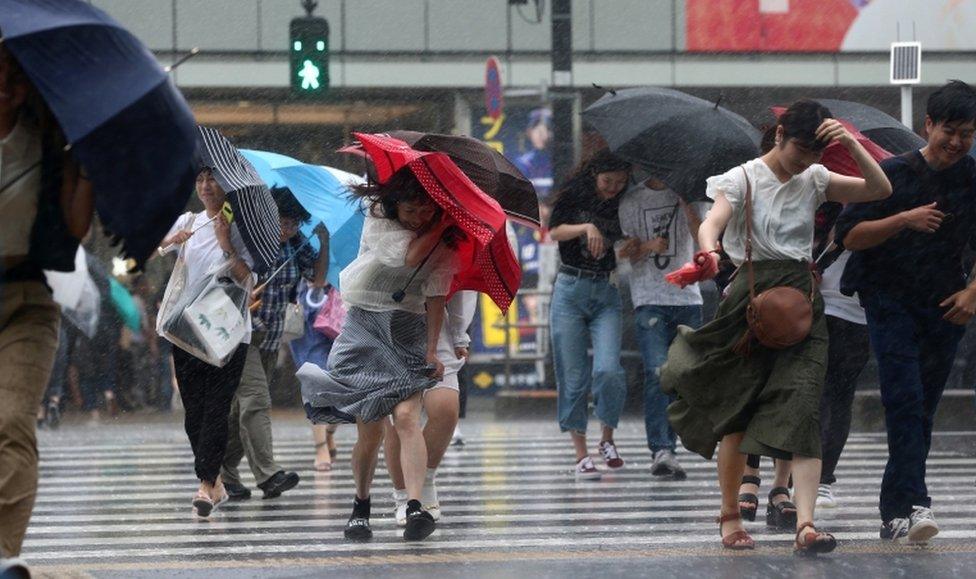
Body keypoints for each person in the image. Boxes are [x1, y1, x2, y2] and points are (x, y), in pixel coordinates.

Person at [661, 99, 891, 553]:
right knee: (738, 415)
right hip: (750, 298)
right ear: (780, 136)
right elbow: (714, 223)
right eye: (800, 149)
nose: (806, 160)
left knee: (804, 406)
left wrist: (849, 143)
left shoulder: (817, 178)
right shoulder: (742, 177)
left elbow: (879, 189)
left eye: (815, 153)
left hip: (802, 301)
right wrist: (708, 253)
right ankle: (730, 516)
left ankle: (806, 524)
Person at [835, 80, 976, 544]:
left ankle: (895, 510)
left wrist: (973, 291)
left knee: (923, 409)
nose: (957, 142)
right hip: (888, 299)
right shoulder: (890, 173)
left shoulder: (972, 178)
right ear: (928, 125)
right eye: (949, 131)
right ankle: (915, 504)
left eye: (968, 134)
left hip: (945, 305)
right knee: (904, 399)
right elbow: (848, 237)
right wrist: (903, 219)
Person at [298, 167, 458, 542]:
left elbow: (435, 296)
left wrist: (434, 350)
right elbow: (406, 257)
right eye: (411, 211)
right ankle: (361, 504)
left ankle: (415, 505)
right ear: (394, 205)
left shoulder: (446, 243)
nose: (418, 217)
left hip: (408, 329)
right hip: (364, 325)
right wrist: (441, 225)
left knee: (406, 416)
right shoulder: (377, 219)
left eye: (426, 210)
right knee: (369, 430)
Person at [0, 46, 93, 566]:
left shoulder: (52, 144)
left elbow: (75, 229)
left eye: (15, 73)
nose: (5, 82)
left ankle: (3, 553)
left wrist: (88, 167)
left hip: (28, 301)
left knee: (11, 420)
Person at [157, 167, 256, 518]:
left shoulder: (243, 227)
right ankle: (215, 484)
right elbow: (156, 247)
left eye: (213, 179)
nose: (206, 186)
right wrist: (174, 240)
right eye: (200, 179)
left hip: (229, 333)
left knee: (216, 407)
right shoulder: (189, 220)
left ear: (227, 185)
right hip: (186, 329)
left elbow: (248, 278)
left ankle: (205, 482)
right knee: (194, 411)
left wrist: (228, 244)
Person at [219, 186, 327, 500]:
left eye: (293, 223)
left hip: (271, 335)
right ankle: (268, 475)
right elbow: (231, 277)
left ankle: (222, 470)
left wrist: (324, 241)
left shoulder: (296, 245)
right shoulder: (251, 241)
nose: (287, 229)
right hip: (241, 333)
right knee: (256, 400)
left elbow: (317, 281)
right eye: (282, 222)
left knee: (242, 407)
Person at [547, 150, 631, 480]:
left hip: (606, 290)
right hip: (570, 289)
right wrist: (587, 227)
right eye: (608, 182)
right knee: (573, 374)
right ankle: (581, 453)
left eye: (620, 183)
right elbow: (554, 232)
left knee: (609, 370)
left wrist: (639, 246)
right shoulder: (572, 196)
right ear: (594, 174)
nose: (613, 188)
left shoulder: (626, 203)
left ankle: (607, 439)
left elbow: (626, 243)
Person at [617, 176, 708, 479]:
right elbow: (624, 251)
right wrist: (646, 246)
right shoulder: (632, 201)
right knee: (656, 371)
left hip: (687, 297)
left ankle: (679, 435)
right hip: (649, 297)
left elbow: (704, 239)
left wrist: (686, 204)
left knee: (685, 373)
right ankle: (662, 448)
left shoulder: (692, 196)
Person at [384, 290, 477, 525]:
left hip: (438, 324)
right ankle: (403, 494)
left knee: (446, 409)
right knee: (401, 417)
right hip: (391, 321)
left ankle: (424, 478)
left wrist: (459, 335)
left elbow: (462, 289)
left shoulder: (449, 252)